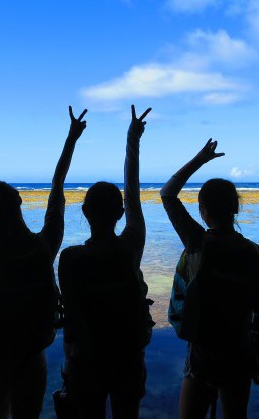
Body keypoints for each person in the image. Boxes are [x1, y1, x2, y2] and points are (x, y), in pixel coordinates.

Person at [0, 106, 87, 418]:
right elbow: (57, 187)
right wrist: (71, 138)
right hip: (33, 355)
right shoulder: (44, 247)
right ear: (18, 200)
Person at [57, 105, 155, 419]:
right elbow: (133, 192)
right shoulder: (129, 249)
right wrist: (132, 139)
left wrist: (72, 139)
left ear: (85, 213)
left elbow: (70, 311)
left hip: (84, 362)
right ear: (119, 213)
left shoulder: (70, 260)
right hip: (127, 359)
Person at [160, 139, 259, 419]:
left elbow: (167, 194)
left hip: (203, 352)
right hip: (239, 349)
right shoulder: (253, 252)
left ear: (203, 210)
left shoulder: (198, 242)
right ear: (235, 208)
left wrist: (199, 160)